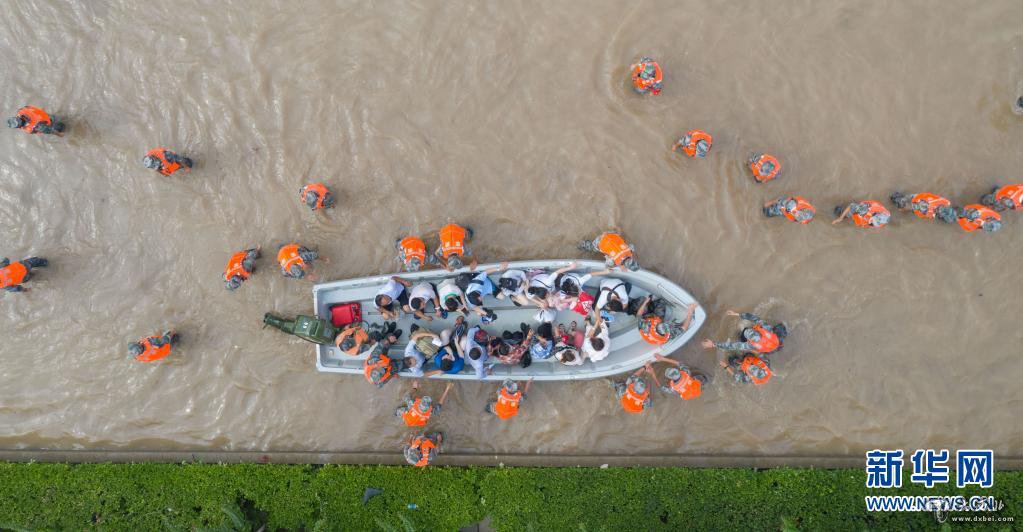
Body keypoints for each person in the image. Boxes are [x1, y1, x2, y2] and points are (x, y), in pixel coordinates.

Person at [701, 310, 787, 356]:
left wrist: (713, 344)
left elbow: (731, 346)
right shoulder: (766, 328)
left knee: (756, 351)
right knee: (781, 330)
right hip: (775, 342)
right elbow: (753, 317)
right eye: (749, 331)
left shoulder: (750, 345)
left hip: (770, 348)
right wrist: (737, 314)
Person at [334, 321, 401, 356]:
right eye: (353, 343)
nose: (352, 339)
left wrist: (352, 326)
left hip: (361, 334)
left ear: (346, 338)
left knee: (376, 333)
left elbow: (346, 329)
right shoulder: (356, 351)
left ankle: (389, 333)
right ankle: (390, 339)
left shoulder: (340, 337)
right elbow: (369, 345)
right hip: (365, 342)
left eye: (350, 339)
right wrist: (372, 342)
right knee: (377, 337)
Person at [889, 192, 955, 223]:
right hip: (919, 202)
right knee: (907, 204)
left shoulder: (945, 202)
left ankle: (900, 200)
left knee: (908, 205)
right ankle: (900, 200)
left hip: (919, 201)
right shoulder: (946, 202)